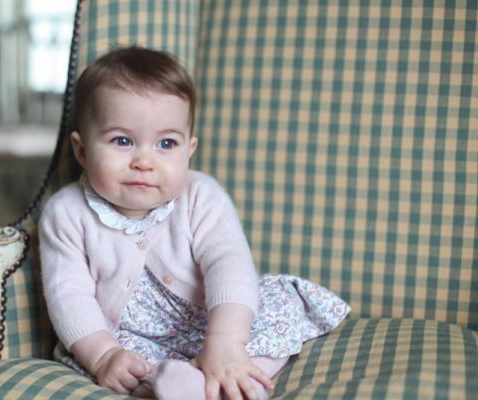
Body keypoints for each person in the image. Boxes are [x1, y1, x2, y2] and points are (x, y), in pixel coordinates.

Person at [39, 46, 350, 400]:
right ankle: (174, 383)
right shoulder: (65, 213)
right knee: (116, 362)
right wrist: (103, 354)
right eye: (122, 141)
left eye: (166, 143)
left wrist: (225, 343)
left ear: (189, 149)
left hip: (212, 319)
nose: (144, 160)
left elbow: (228, 264)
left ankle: (239, 374)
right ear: (82, 151)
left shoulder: (202, 196)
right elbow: (69, 295)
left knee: (272, 305)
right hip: (129, 334)